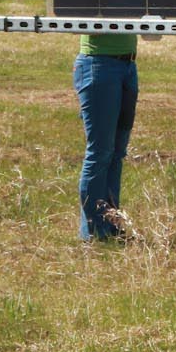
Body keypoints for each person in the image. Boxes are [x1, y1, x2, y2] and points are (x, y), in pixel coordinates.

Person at [74, 29, 139, 242]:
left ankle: (110, 226)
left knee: (117, 152)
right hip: (98, 64)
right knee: (100, 151)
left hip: (128, 65)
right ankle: (94, 233)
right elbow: (82, 23)